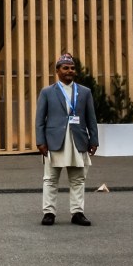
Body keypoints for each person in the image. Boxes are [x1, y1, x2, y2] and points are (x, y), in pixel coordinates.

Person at [35, 52, 99, 226]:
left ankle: (77, 213)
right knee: (50, 179)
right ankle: (49, 213)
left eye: (72, 68)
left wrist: (94, 140)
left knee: (78, 179)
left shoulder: (85, 92)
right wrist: (40, 141)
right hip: (54, 141)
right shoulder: (47, 92)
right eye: (65, 68)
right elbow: (40, 119)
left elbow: (91, 118)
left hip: (78, 141)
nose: (69, 71)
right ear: (57, 71)